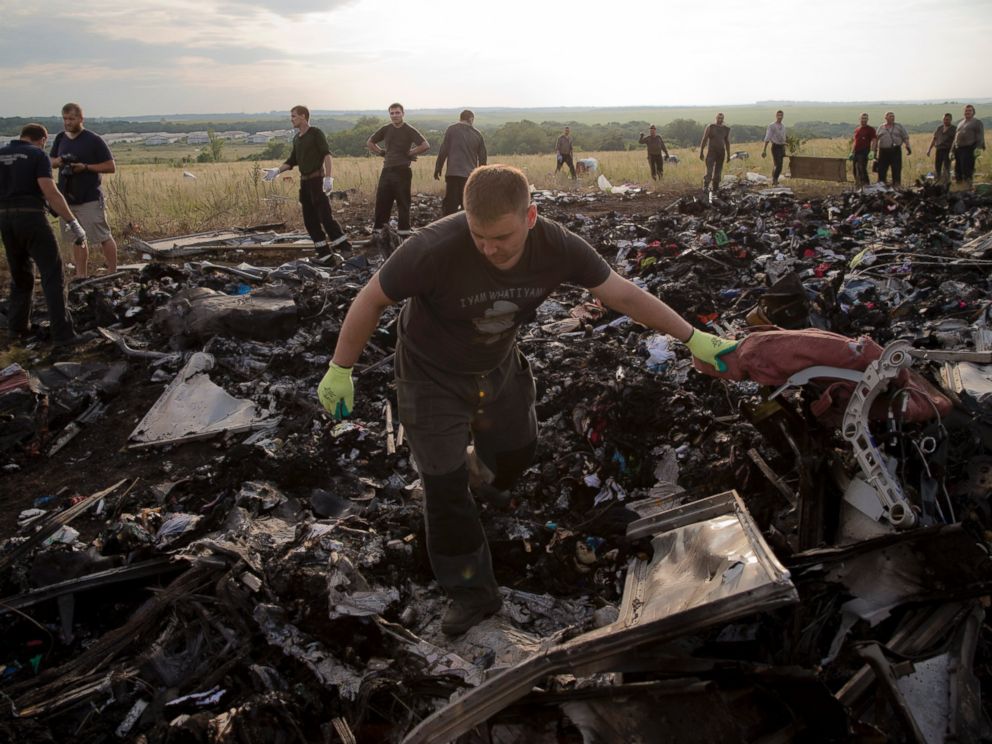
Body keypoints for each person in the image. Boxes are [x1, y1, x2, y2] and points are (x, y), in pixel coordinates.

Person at [315, 165, 738, 635]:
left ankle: (482, 475)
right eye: (479, 236)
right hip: (429, 375)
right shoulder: (433, 249)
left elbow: (620, 294)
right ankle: (471, 592)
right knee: (443, 485)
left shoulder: (556, 246)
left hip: (496, 366)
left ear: (530, 216)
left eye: (501, 237)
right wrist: (340, 367)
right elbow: (369, 300)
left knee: (519, 450)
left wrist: (692, 336)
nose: (490, 248)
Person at [1, 124, 86, 347]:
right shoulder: (37, 154)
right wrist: (73, 222)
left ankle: (16, 329)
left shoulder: (1, 153)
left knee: (20, 275)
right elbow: (50, 191)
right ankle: (63, 335)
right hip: (31, 217)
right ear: (42, 139)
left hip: (5, 220)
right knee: (52, 274)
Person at [264, 106, 351, 258]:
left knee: (325, 217)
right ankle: (323, 253)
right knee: (310, 221)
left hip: (317, 180)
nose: (291, 119)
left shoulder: (315, 133)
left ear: (303, 116)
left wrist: (328, 178)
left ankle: (345, 247)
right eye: (291, 116)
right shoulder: (297, 138)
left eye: (294, 116)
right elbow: (292, 160)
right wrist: (277, 171)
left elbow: (327, 155)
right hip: (304, 184)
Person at [48, 102, 117, 279]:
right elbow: (51, 162)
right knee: (77, 237)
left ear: (81, 118)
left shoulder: (93, 139)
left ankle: (112, 271)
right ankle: (81, 275)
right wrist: (61, 161)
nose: (67, 122)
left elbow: (110, 166)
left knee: (102, 235)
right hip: (67, 198)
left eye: (71, 118)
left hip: (90, 197)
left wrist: (85, 167)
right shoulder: (60, 139)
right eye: (65, 119)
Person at [367, 103, 430, 236]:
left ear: (403, 113)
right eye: (392, 113)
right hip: (387, 170)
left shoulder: (409, 129)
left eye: (397, 113)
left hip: (402, 171)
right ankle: (379, 232)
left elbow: (425, 145)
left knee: (403, 202)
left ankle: (404, 232)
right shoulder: (386, 129)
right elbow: (370, 142)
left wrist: (410, 153)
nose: (395, 115)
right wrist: (381, 152)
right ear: (389, 114)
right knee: (382, 201)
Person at [434, 110, 488, 216]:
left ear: (460, 118)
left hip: (453, 173)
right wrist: (481, 176)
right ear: (471, 119)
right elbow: (482, 158)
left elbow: (443, 150)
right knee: (467, 204)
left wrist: (438, 167)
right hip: (469, 175)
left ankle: (448, 228)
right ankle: (466, 228)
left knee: (450, 205)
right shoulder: (478, 134)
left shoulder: (451, 130)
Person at [873, 111, 911, 188]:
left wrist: (908, 146)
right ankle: (881, 185)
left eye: (893, 116)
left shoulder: (899, 126)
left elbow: (905, 137)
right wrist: (874, 151)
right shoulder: (881, 127)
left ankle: (896, 185)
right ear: (886, 118)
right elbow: (876, 140)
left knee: (896, 168)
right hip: (883, 151)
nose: (892, 118)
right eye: (890, 116)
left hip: (895, 150)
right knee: (882, 169)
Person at [953, 104, 986, 189]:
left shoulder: (976, 122)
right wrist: (951, 150)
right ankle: (959, 188)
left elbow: (980, 136)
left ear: (973, 112)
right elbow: (955, 137)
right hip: (958, 149)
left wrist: (978, 147)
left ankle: (968, 188)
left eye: (969, 110)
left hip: (969, 149)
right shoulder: (960, 123)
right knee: (957, 170)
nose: (967, 112)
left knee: (967, 170)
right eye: (966, 110)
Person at [699, 113, 731, 191]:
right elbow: (704, 139)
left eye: (721, 118)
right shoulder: (710, 127)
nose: (720, 120)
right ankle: (706, 186)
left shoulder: (726, 129)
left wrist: (729, 155)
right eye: (719, 118)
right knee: (709, 171)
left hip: (721, 153)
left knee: (718, 172)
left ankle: (715, 188)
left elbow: (727, 142)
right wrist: (701, 152)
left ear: (723, 119)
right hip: (711, 152)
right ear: (716, 118)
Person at [926, 113, 956, 186]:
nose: (945, 121)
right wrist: (929, 149)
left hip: (948, 150)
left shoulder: (954, 129)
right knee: (937, 166)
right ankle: (938, 182)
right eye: (944, 119)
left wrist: (953, 152)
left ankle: (946, 183)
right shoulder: (939, 128)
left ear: (951, 120)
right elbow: (934, 139)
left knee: (946, 167)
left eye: (947, 120)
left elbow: (956, 141)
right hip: (939, 149)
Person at [850, 113, 877, 189]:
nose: (864, 120)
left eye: (865, 118)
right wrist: (851, 152)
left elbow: (874, 140)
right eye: (862, 118)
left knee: (862, 168)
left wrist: (872, 151)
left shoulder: (870, 129)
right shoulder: (857, 129)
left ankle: (866, 185)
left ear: (867, 120)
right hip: (856, 151)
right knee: (855, 170)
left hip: (864, 151)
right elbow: (855, 142)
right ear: (859, 119)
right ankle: (858, 185)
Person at [761, 110, 786, 186]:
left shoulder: (783, 126)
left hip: (782, 147)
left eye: (781, 115)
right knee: (778, 164)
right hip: (775, 147)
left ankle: (775, 179)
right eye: (778, 115)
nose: (780, 117)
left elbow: (783, 138)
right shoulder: (772, 126)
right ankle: (774, 181)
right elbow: (767, 138)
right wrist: (764, 150)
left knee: (779, 165)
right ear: (776, 116)